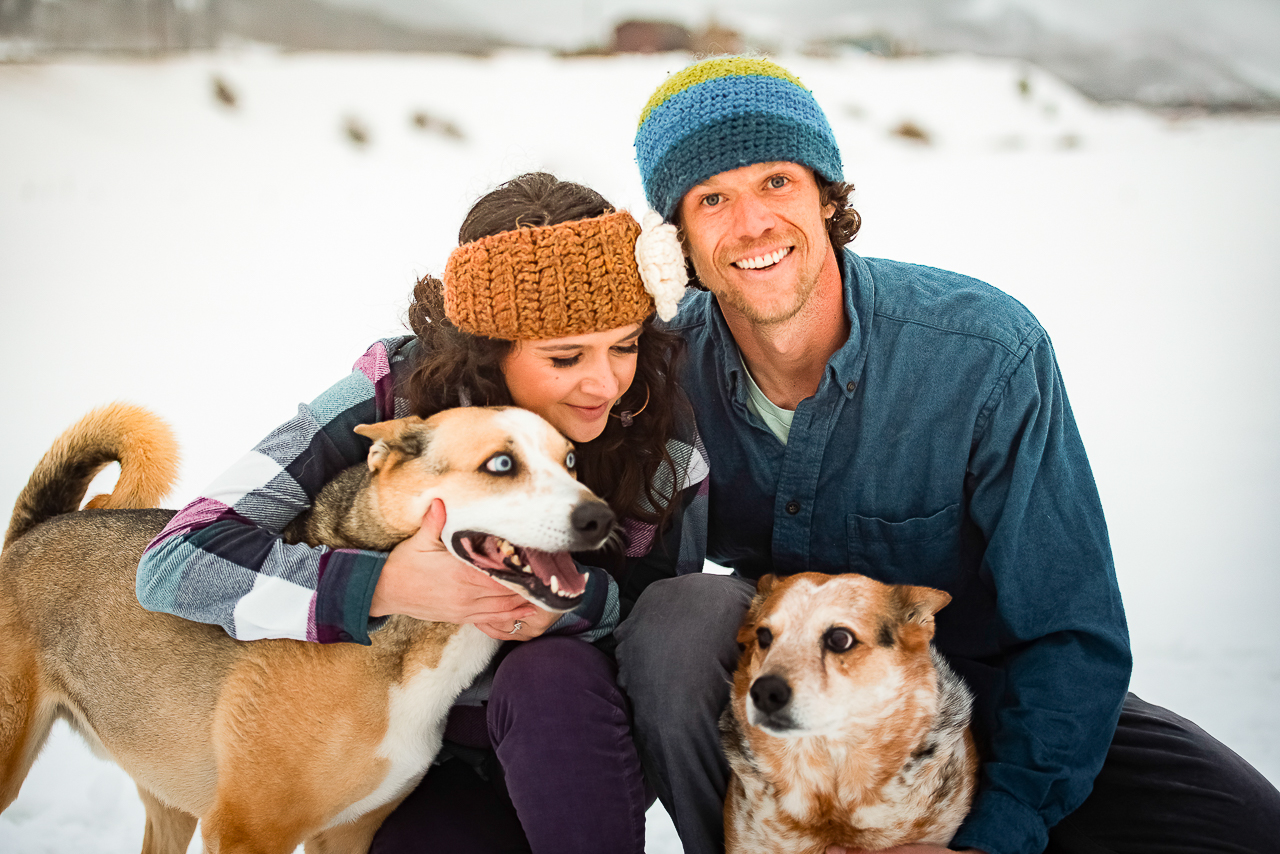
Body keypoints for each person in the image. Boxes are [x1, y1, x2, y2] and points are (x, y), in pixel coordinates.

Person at [614, 56, 1280, 854]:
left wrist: (996, 833)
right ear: (678, 235)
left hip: (995, 694)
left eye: (777, 183)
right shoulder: (655, 372)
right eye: (712, 198)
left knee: (1245, 829)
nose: (751, 223)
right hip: (790, 696)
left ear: (828, 194)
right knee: (678, 625)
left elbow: (1070, 629)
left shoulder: (983, 355)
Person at [136, 172, 706, 854]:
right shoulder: (393, 394)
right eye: (564, 356)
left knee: (548, 672)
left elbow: (659, 616)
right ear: (489, 347)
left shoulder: (656, 427)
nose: (603, 382)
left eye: (624, 345)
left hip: (569, 738)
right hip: (408, 756)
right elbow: (178, 559)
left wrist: (567, 606)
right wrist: (383, 584)